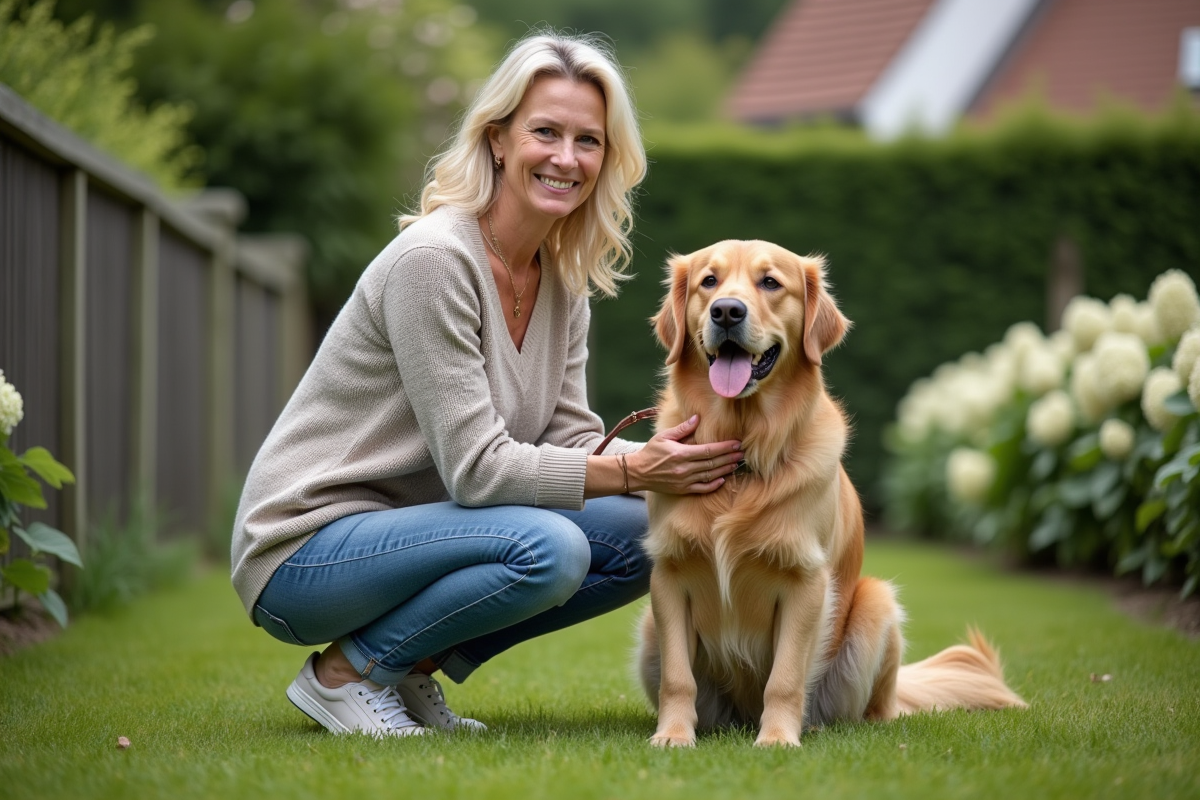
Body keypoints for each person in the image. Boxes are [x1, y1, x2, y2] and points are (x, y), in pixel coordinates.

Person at [230, 31, 745, 738]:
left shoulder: (562, 279)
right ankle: (343, 675)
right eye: (546, 132)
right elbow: (478, 473)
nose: (567, 158)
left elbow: (566, 439)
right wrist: (630, 471)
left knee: (638, 533)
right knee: (551, 549)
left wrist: (671, 461)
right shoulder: (435, 262)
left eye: (588, 141)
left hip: (420, 534)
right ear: (498, 140)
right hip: (305, 551)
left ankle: (406, 670)